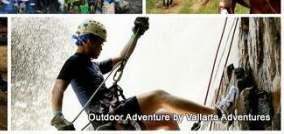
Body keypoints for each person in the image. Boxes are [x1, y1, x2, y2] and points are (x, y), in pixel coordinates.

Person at [51, 18, 240, 130]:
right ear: (89, 41)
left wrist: (136, 33)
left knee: (168, 118)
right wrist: (58, 115)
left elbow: (122, 57)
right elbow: (58, 87)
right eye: (100, 43)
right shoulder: (74, 62)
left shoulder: (93, 66)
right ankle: (218, 113)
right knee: (159, 96)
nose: (101, 48)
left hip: (111, 120)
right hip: (109, 116)